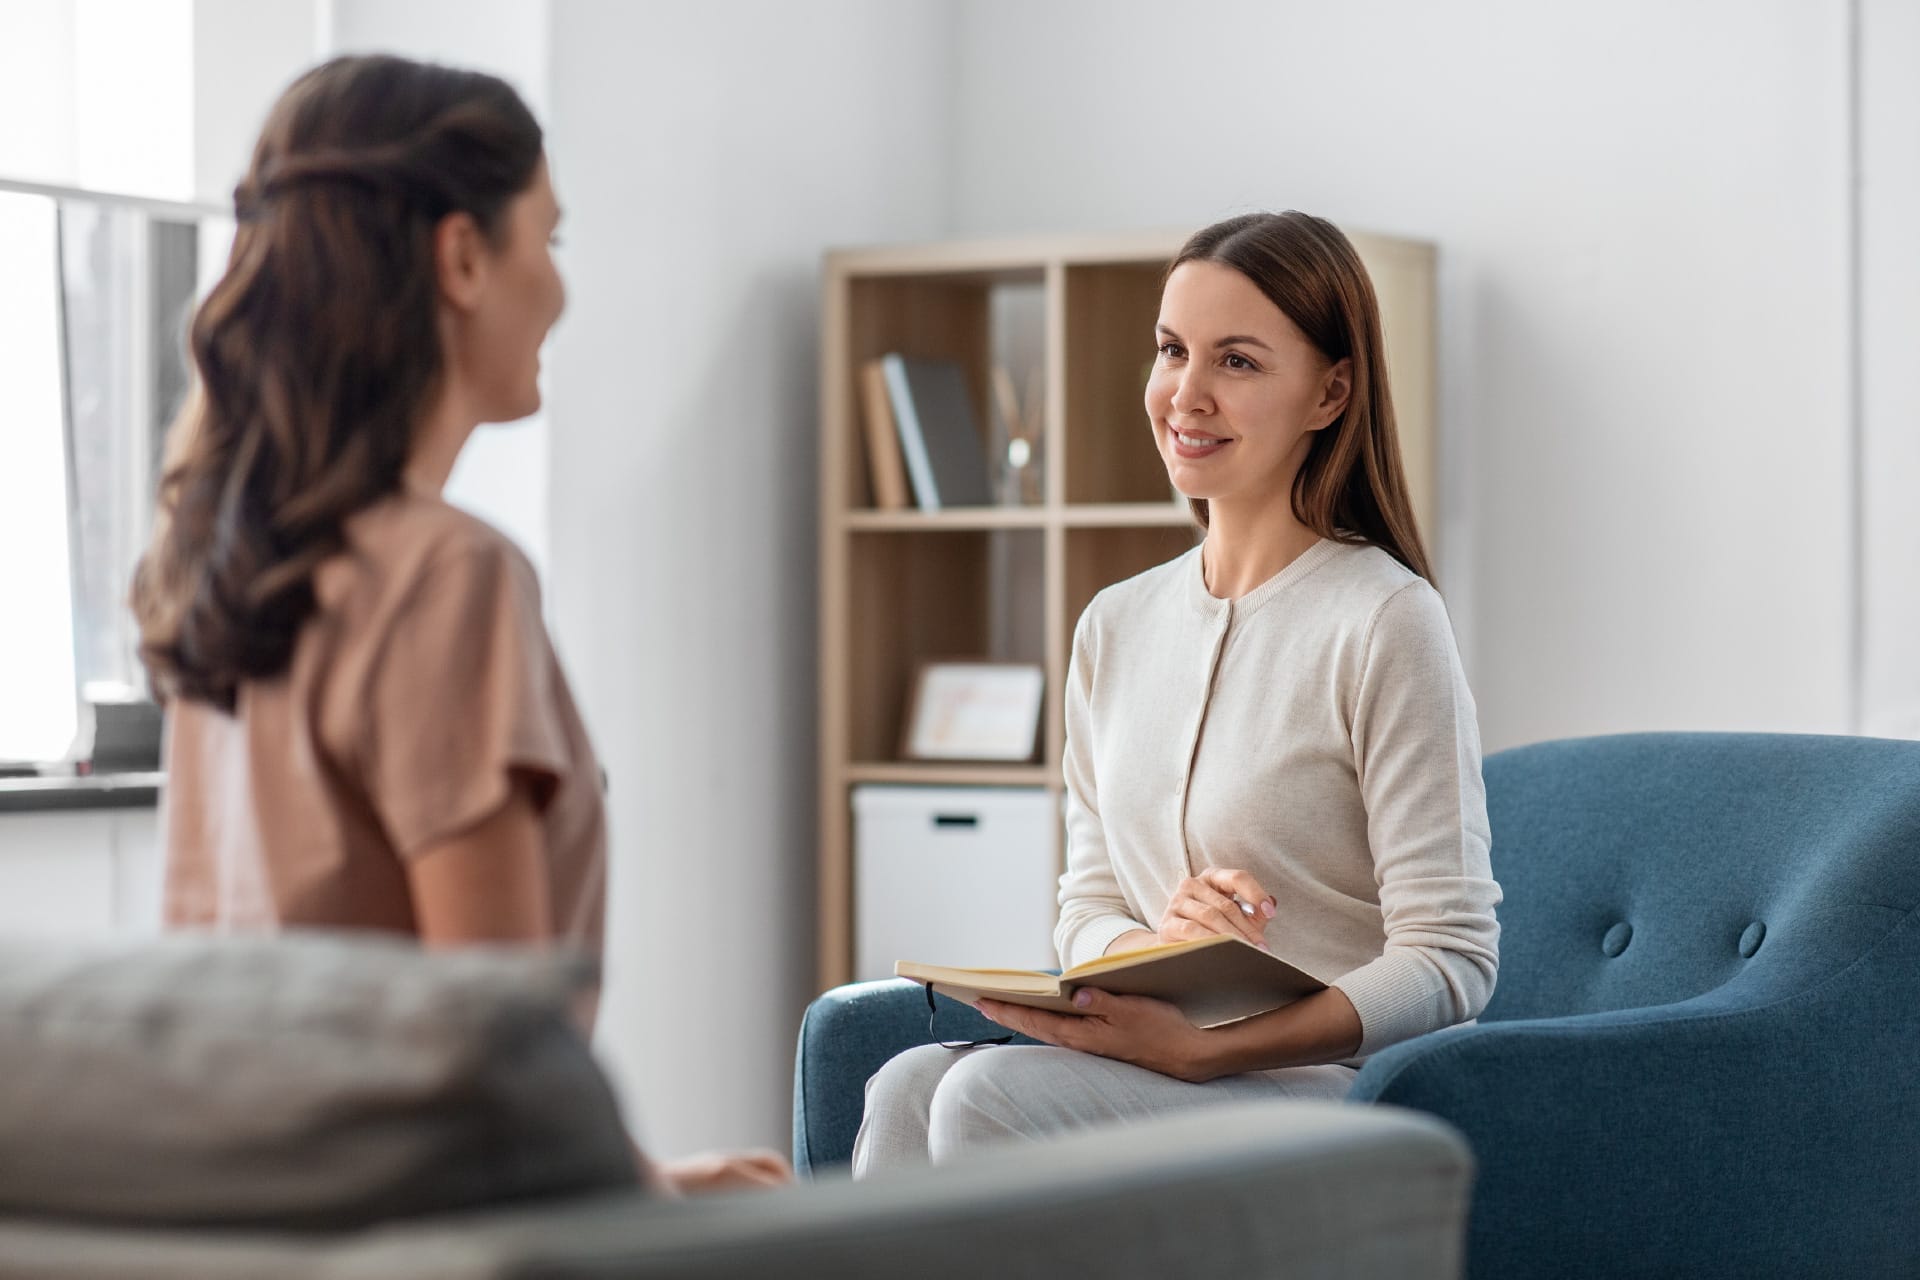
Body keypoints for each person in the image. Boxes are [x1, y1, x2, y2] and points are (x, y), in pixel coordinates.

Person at [130, 54, 787, 1195]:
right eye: (551, 240)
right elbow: (496, 1052)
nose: (563, 291)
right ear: (464, 256)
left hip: (246, 1210)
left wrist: (655, 1179)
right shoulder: (449, 577)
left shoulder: (217, 563)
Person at [852, 211, 1501, 1174]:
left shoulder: (1384, 619)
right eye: (1170, 350)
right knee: (903, 1085)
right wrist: (1159, 947)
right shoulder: (1113, 624)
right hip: (1167, 1070)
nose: (1184, 395)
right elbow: (1086, 902)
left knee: (988, 1098)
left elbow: (1452, 957)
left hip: (1330, 1089)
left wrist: (1216, 1047)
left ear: (1331, 392)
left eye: (1236, 362)